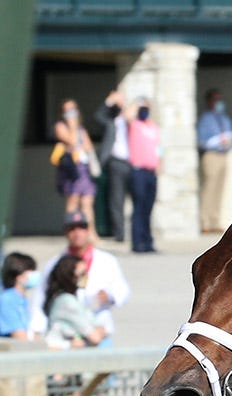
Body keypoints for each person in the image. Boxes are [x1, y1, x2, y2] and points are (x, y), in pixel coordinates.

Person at [30, 210, 131, 344]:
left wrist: (110, 296)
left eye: (82, 228)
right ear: (66, 232)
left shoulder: (107, 260)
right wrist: (36, 331)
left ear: (88, 230)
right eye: (72, 228)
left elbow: (123, 291)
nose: (77, 233)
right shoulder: (55, 264)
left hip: (100, 329)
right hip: (71, 338)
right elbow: (40, 299)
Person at [53, 98, 99, 243]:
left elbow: (88, 146)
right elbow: (71, 141)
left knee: (87, 201)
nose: (71, 113)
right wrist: (72, 126)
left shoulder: (82, 129)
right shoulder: (60, 127)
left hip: (84, 169)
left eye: (73, 109)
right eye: (68, 110)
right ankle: (70, 231)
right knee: (73, 201)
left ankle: (90, 232)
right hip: (71, 170)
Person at [44, 254, 106, 348]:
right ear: (70, 276)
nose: (86, 277)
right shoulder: (66, 302)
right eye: (82, 274)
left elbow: (101, 329)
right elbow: (95, 337)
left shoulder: (73, 299)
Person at [197, 88, 232, 233]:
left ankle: (214, 221)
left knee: (219, 189)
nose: (219, 102)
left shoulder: (225, 118)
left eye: (220, 99)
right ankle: (204, 222)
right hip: (211, 155)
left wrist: (231, 140)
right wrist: (218, 141)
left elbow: (229, 135)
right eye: (216, 99)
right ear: (209, 101)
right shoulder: (205, 119)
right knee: (209, 188)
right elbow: (201, 140)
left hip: (223, 155)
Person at [94, 91, 132, 244]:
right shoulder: (111, 122)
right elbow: (97, 116)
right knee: (116, 198)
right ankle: (119, 233)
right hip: (115, 162)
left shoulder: (131, 123)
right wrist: (109, 101)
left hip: (132, 163)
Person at [128, 96, 161, 254]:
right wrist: (137, 103)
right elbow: (127, 115)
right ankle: (137, 242)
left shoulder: (153, 127)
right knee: (139, 207)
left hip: (151, 171)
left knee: (148, 208)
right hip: (138, 170)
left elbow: (158, 147)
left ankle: (147, 242)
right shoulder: (134, 125)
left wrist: (160, 162)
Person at [0, 252, 39, 340]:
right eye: (31, 271)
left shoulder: (22, 299)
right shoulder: (7, 300)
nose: (36, 274)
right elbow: (19, 338)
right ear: (19, 276)